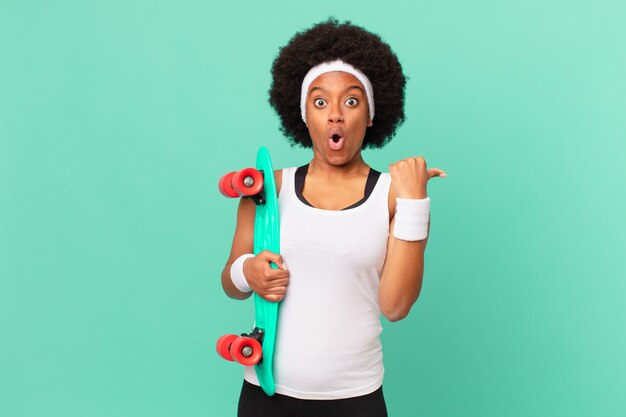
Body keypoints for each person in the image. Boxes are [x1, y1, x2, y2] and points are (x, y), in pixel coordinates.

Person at [220, 18, 446, 417]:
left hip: (356, 399)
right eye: (320, 102)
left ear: (372, 115)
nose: (336, 116)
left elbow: (395, 307)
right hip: (266, 397)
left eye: (352, 101)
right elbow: (232, 283)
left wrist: (415, 203)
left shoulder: (394, 196)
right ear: (304, 114)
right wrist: (247, 272)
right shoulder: (266, 189)